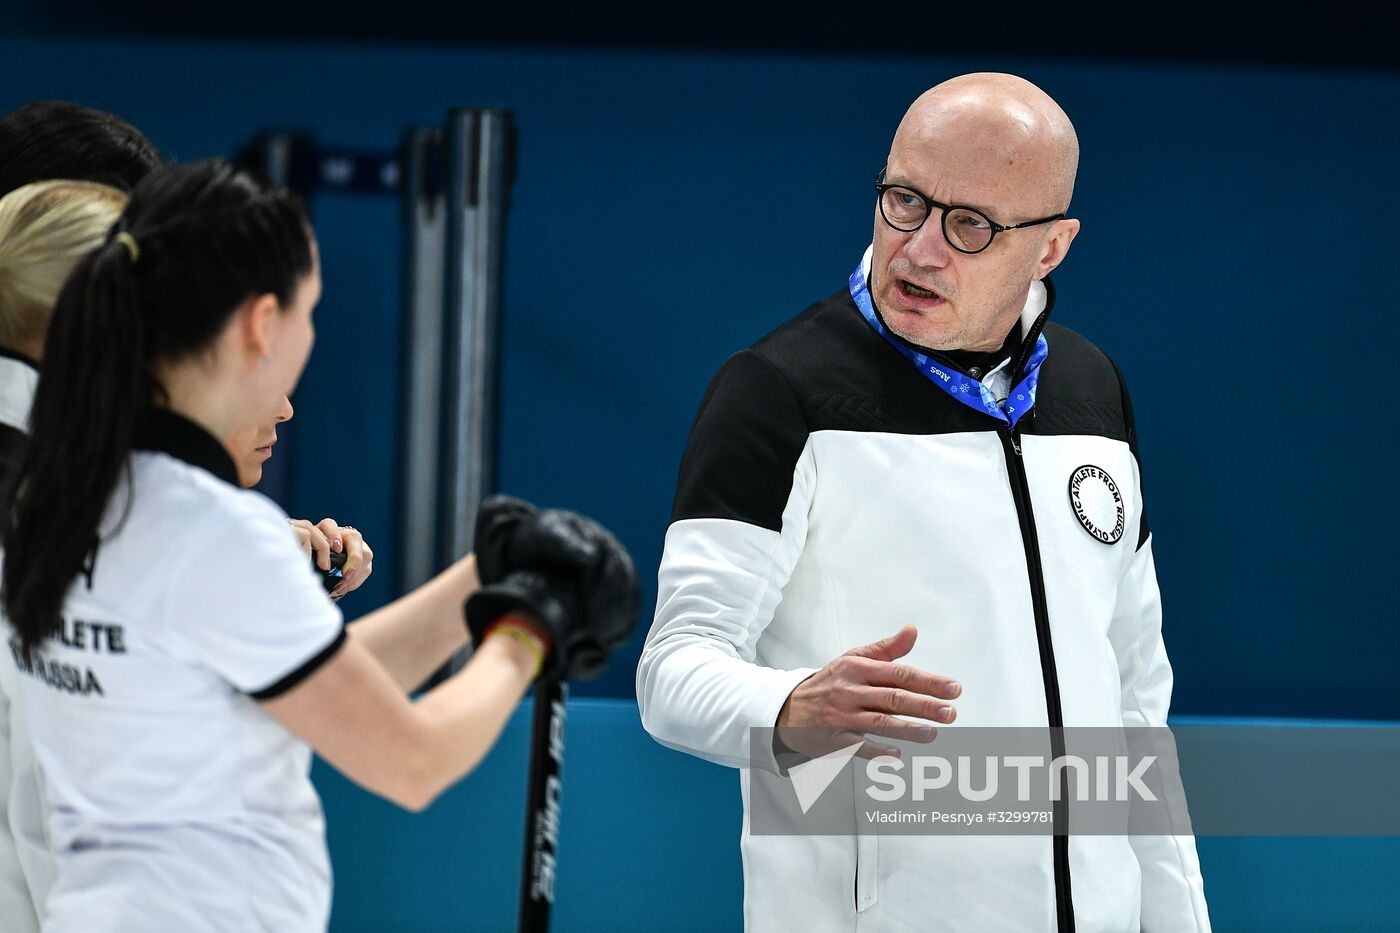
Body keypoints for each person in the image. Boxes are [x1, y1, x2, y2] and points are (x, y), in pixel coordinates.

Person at [0, 158, 639, 931]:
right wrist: (528, 629)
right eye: (310, 315)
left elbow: (305, 694)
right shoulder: (209, 532)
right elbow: (412, 758)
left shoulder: (73, 502)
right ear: (262, 324)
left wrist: (483, 579)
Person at [638, 73, 1211, 931]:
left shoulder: (1093, 393)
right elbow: (673, 668)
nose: (919, 250)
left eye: (970, 225)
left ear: (1051, 248)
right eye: (904, 200)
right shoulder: (777, 391)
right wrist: (790, 706)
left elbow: (1135, 712)